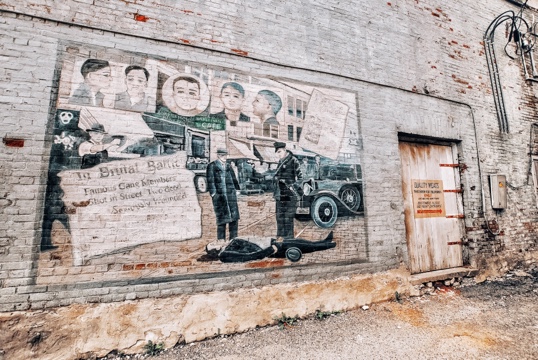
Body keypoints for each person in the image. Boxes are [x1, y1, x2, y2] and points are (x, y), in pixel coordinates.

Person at [206, 148, 241, 241]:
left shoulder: (228, 166)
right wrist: (213, 194)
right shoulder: (212, 166)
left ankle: (233, 240)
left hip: (231, 196)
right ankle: (221, 241)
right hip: (220, 197)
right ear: (218, 156)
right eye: (222, 155)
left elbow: (234, 179)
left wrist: (237, 189)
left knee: (234, 219)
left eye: (225, 155)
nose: (225, 157)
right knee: (222, 219)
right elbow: (210, 181)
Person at [273, 141, 302, 240]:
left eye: (280, 152)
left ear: (285, 150)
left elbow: (301, 178)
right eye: (277, 152)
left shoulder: (294, 161)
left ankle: (289, 240)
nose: (278, 154)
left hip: (290, 195)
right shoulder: (280, 162)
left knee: (288, 218)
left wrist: (292, 186)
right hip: (280, 194)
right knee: (279, 217)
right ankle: (280, 238)